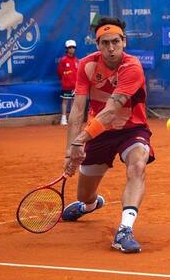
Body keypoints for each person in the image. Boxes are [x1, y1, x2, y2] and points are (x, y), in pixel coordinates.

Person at [62, 16, 155, 254]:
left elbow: (112, 111)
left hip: (132, 130)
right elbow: (77, 109)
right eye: (105, 43)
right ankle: (91, 204)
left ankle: (125, 230)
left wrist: (80, 140)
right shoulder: (86, 65)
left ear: (124, 41)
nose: (111, 48)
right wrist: (70, 151)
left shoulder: (132, 67)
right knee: (83, 194)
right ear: (97, 44)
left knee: (137, 166)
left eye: (116, 41)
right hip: (99, 133)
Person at [57, 39, 79, 126]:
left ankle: (72, 119)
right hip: (66, 86)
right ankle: (63, 118)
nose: (72, 49)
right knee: (65, 101)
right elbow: (59, 72)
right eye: (70, 47)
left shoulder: (77, 60)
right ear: (67, 49)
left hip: (75, 86)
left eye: (73, 47)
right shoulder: (63, 60)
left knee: (74, 102)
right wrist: (65, 80)